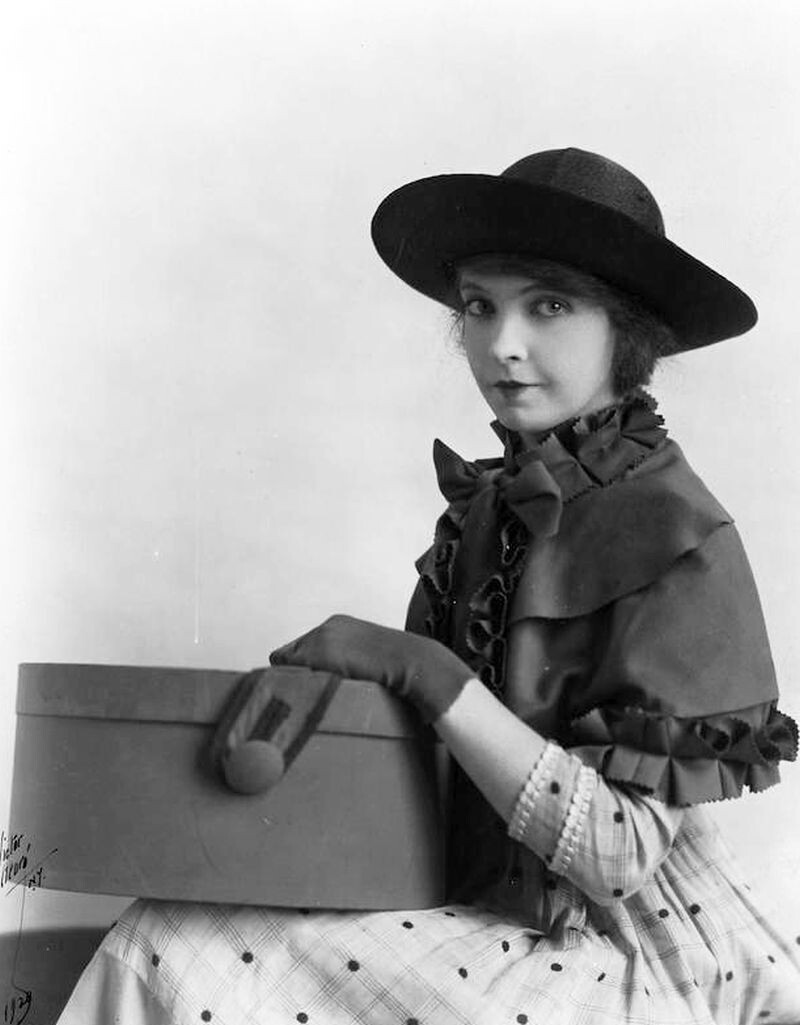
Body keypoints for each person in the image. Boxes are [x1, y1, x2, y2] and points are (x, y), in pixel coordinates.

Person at [57, 148, 800, 1024]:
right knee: (167, 922)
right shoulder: (488, 514)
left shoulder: (679, 532)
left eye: (548, 306)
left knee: (171, 946)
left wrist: (425, 671)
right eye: (480, 306)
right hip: (478, 907)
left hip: (627, 957)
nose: (502, 343)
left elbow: (618, 855)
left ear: (626, 329)